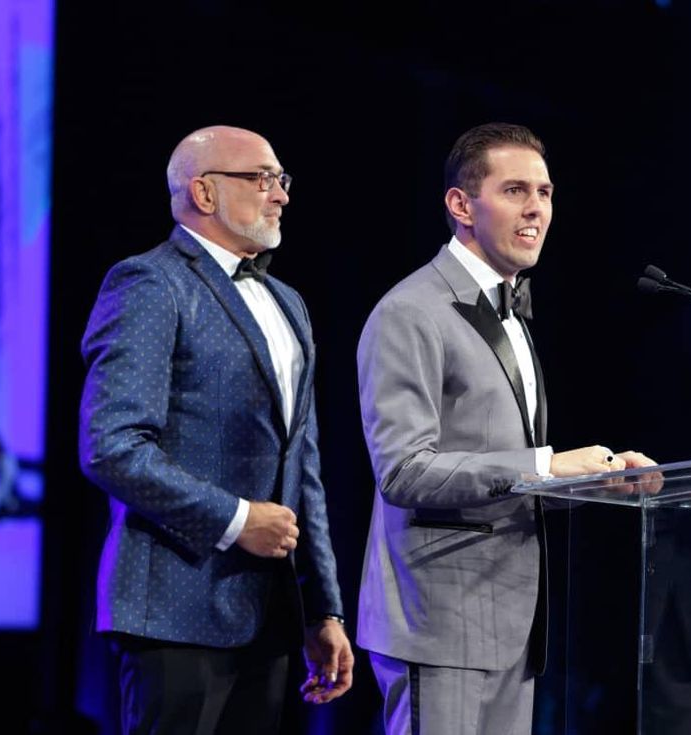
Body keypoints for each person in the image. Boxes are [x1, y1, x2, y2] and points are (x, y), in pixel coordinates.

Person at [355, 122, 657, 734]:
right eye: (516, 190)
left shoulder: (511, 311)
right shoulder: (410, 313)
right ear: (461, 205)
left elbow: (498, 470)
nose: (537, 209)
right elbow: (403, 472)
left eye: (545, 192)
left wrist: (591, 482)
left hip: (512, 622)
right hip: (439, 620)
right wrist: (547, 465)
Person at [79, 125, 353, 733]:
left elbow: (301, 467)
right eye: (262, 178)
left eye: (282, 179)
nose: (280, 193)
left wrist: (322, 609)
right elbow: (112, 447)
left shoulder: (289, 302)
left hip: (270, 616)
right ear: (204, 193)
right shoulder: (150, 282)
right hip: (173, 613)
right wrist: (236, 520)